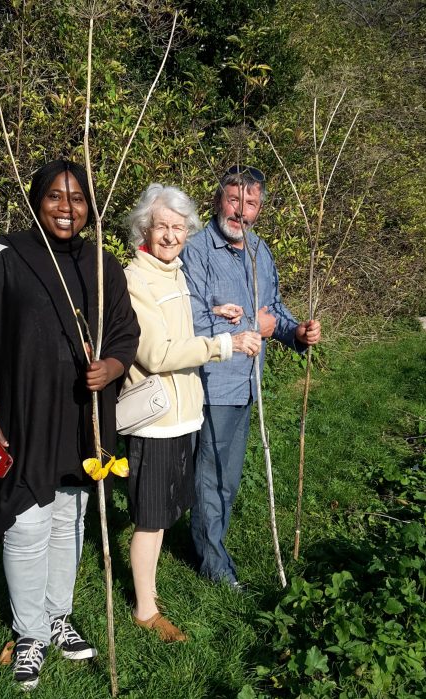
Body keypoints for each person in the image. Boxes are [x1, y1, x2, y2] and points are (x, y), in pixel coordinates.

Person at [0, 159, 140, 690]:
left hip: (81, 417)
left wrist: (113, 367)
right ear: (36, 199)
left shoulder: (103, 265)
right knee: (27, 522)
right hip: (21, 415)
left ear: (91, 208)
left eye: (77, 199)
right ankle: (28, 632)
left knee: (67, 519)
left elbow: (125, 333)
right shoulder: (3, 257)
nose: (67, 208)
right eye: (54, 196)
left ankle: (57, 616)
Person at [122, 183, 261, 642]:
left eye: (178, 227)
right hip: (156, 418)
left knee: (166, 513)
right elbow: (158, 353)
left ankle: (152, 592)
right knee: (152, 516)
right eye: (161, 226)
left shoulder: (176, 273)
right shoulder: (134, 279)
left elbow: (184, 324)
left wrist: (216, 311)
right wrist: (225, 344)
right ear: (145, 228)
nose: (169, 235)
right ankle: (145, 608)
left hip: (185, 414)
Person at [180, 165, 321, 589]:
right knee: (214, 475)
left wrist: (295, 331)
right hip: (212, 383)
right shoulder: (196, 250)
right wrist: (247, 331)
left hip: (247, 384)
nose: (241, 211)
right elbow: (194, 323)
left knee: (227, 476)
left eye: (251, 203)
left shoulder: (260, 251)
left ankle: (208, 545)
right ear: (217, 200)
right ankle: (214, 566)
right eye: (234, 200)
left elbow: (272, 310)